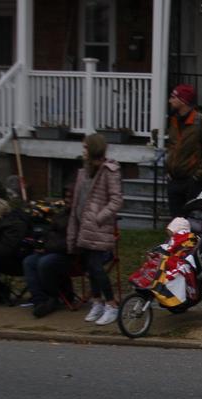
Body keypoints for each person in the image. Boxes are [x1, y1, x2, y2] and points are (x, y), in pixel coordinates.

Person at [68, 133, 124, 326]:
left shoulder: (109, 171)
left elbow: (116, 200)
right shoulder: (84, 172)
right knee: (90, 268)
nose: (83, 151)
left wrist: (99, 217)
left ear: (93, 149)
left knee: (96, 266)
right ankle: (97, 301)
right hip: (83, 227)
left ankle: (111, 304)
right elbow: (78, 199)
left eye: (85, 148)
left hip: (98, 228)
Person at [166, 83, 202, 218]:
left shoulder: (200, 121)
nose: (170, 100)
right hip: (174, 179)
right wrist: (169, 170)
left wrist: (197, 176)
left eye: (173, 97)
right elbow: (172, 145)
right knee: (176, 224)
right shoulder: (174, 120)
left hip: (191, 181)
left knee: (192, 222)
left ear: (183, 101)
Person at [22, 200, 71, 318]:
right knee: (29, 261)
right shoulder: (59, 216)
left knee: (44, 262)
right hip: (52, 249)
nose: (68, 200)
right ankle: (40, 301)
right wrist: (41, 243)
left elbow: (70, 242)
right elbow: (50, 234)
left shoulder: (77, 217)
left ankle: (54, 296)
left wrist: (48, 248)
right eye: (67, 197)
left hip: (69, 254)